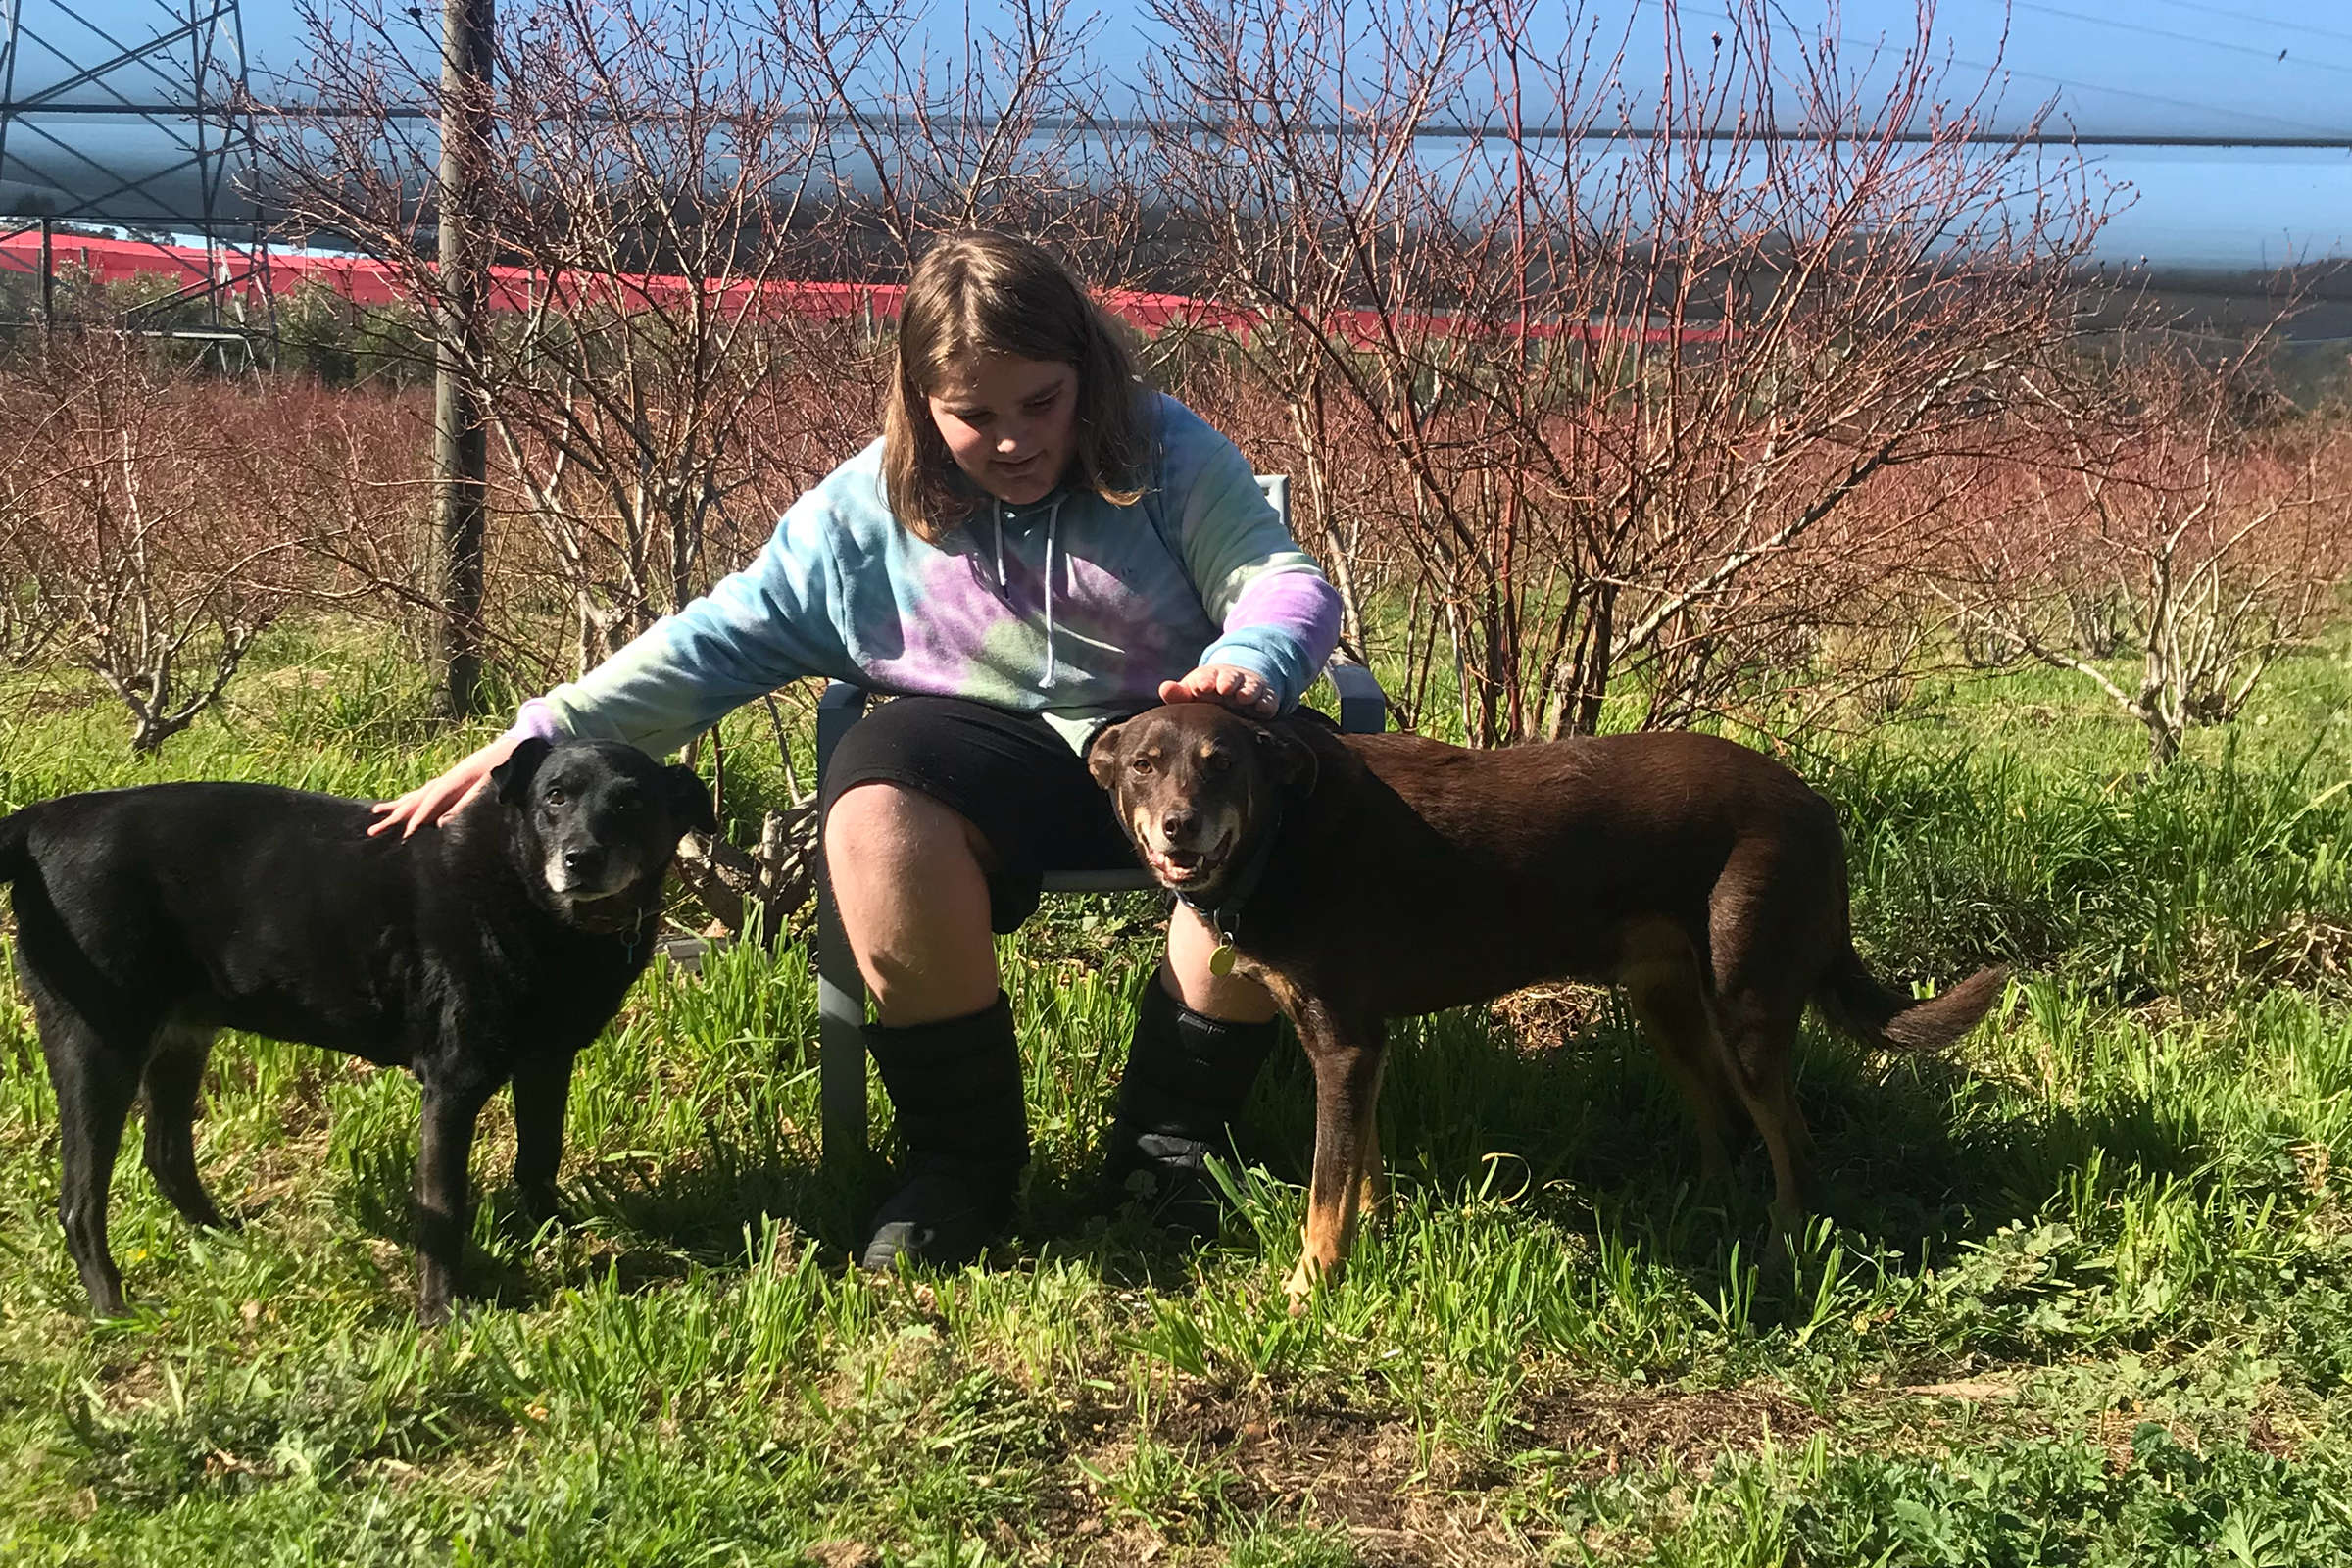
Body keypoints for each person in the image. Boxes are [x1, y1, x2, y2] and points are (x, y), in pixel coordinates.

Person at [373, 229, 1343, 1271]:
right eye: (975, 415)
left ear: (1087, 377)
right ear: (922, 402)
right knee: (875, 803)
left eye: (1042, 403)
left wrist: (1250, 659)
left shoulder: (1166, 453)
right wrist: (541, 735)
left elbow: (1277, 578)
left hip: (1166, 738)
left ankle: (1171, 1153)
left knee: (1286, 805)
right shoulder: (862, 515)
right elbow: (719, 639)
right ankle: (960, 1164)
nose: (1014, 439)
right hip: (984, 751)